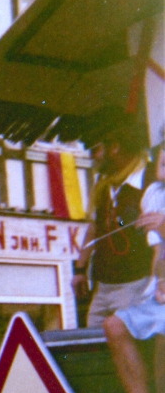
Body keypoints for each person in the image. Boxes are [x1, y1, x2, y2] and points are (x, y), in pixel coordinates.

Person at [103, 144, 165, 393]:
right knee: (114, 326)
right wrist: (160, 283)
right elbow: (159, 253)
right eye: (163, 166)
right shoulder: (155, 194)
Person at [71, 123, 154, 327]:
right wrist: (80, 270)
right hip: (103, 287)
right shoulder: (105, 181)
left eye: (95, 150)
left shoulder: (150, 178)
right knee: (94, 348)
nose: (92, 157)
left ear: (115, 147)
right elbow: (94, 227)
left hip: (135, 285)